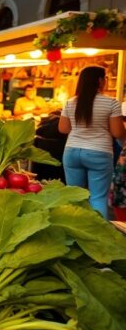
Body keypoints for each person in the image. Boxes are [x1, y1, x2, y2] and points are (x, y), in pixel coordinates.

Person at [58, 66, 125, 218]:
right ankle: (98, 237)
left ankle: (73, 235)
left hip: (72, 151)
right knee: (98, 197)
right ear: (101, 81)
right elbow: (118, 132)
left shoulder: (70, 102)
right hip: (99, 152)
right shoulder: (111, 103)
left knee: (74, 197)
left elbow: (63, 128)